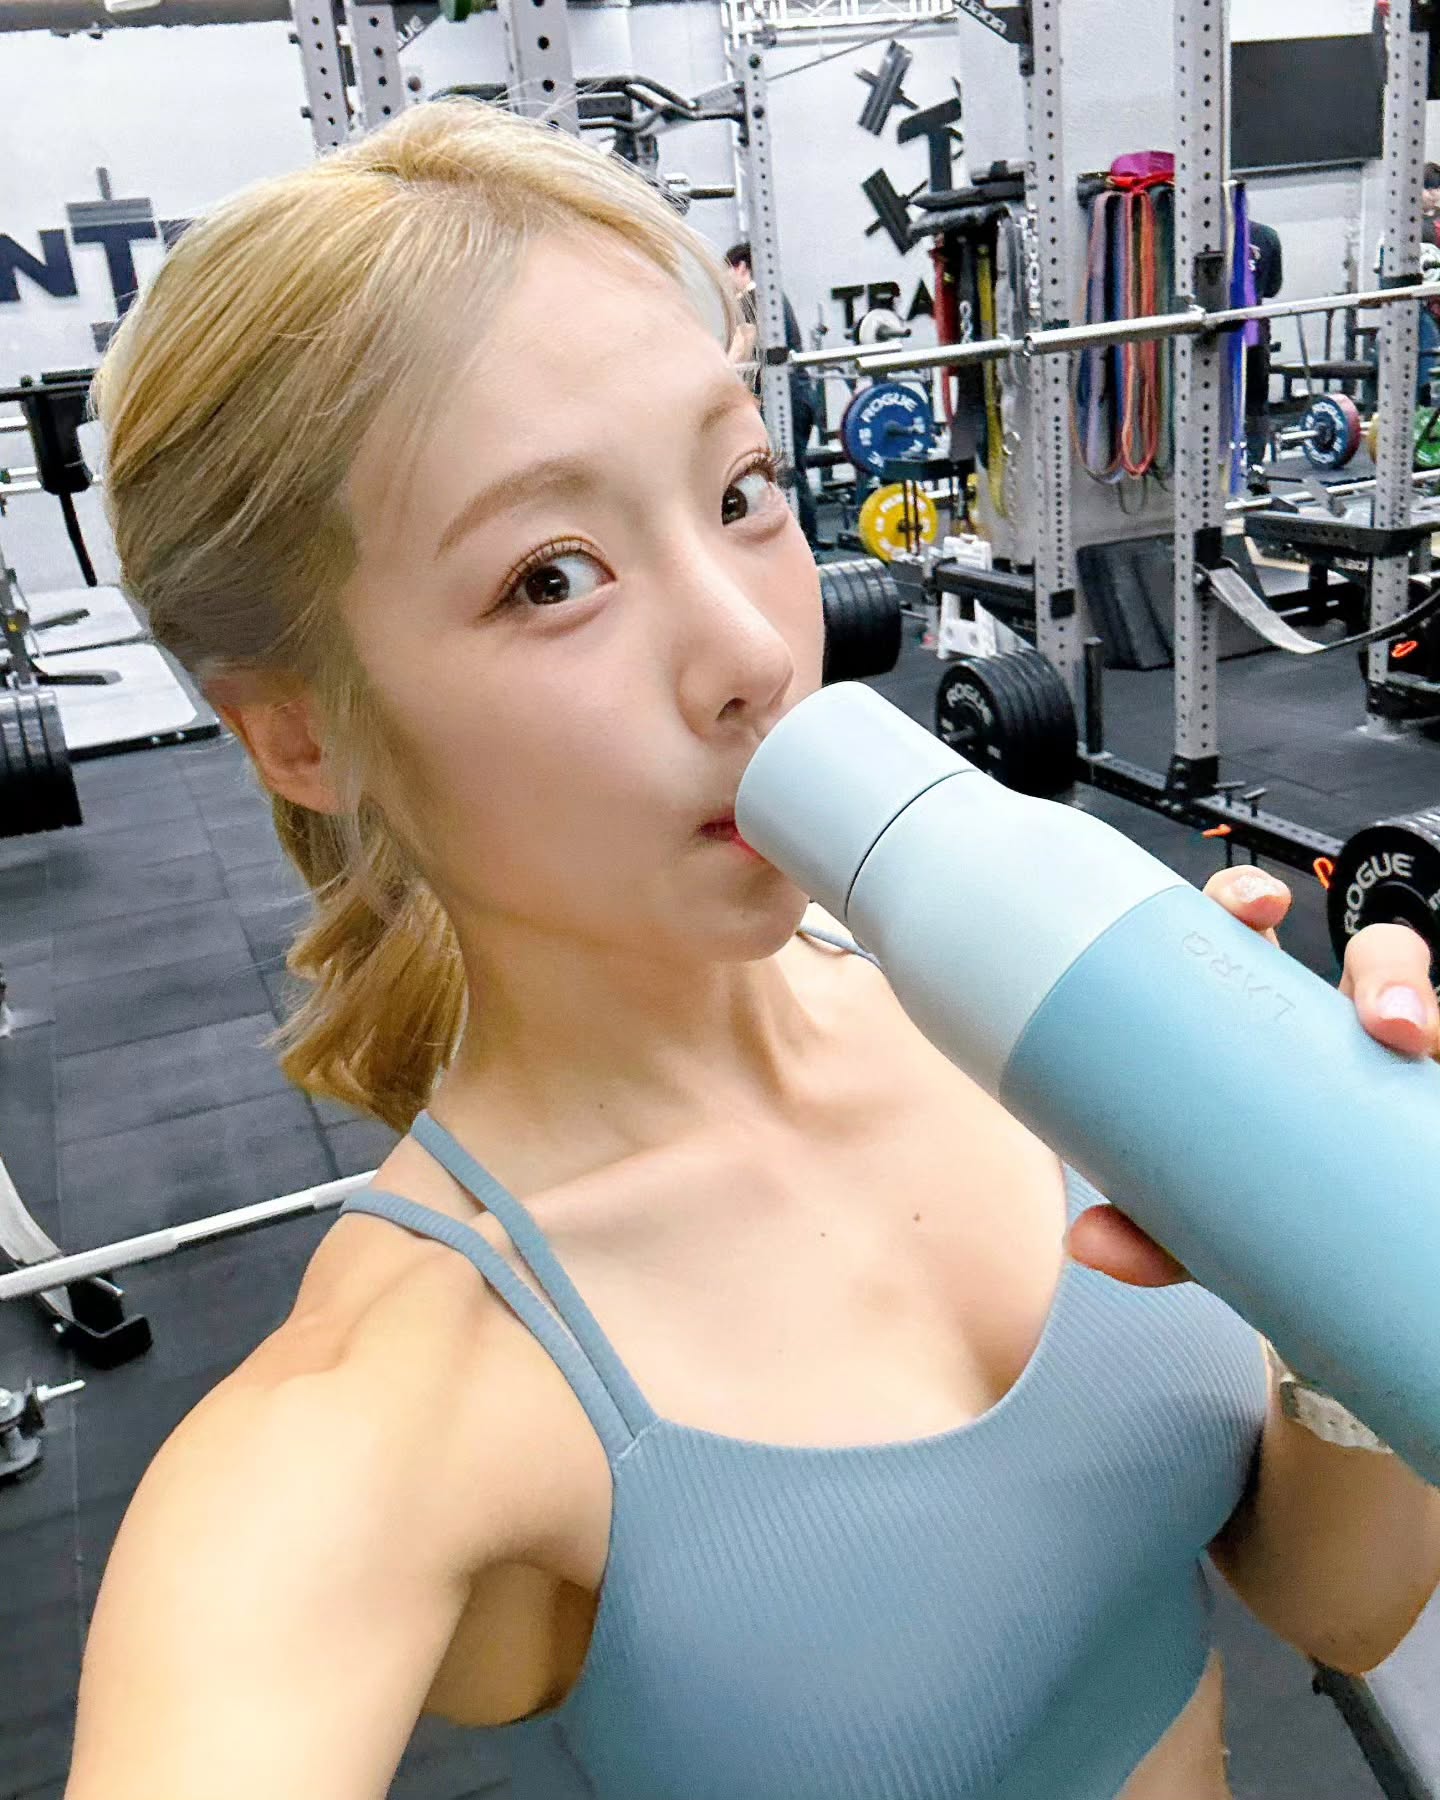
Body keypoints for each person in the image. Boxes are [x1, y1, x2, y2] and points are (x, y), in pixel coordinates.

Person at [67, 102, 1440, 1800]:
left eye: (740, 490)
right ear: (297, 735)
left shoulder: (1016, 1017)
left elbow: (1337, 1601)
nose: (753, 654)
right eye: (551, 577)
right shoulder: (384, 1408)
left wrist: (1339, 1255)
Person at [724, 239, 820, 546]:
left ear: (741, 267)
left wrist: (717, 374)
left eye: (726, 271)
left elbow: (743, 342)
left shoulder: (753, 296)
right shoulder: (773, 297)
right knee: (789, 470)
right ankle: (806, 543)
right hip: (796, 395)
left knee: (787, 473)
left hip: (787, 396)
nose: (725, 279)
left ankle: (806, 545)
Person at [1243, 219, 1282, 469]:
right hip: (1252, 324)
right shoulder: (1266, 235)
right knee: (1256, 398)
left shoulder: (1200, 235)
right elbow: (1272, 288)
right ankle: (1255, 466)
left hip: (1215, 328)